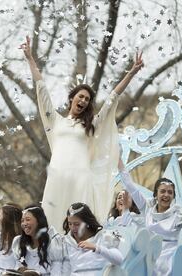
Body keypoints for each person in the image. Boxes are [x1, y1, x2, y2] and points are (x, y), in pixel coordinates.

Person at [20, 36, 144, 229]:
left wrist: (132, 72)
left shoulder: (91, 125)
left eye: (87, 99)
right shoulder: (55, 121)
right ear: (72, 99)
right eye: (81, 96)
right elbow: (42, 90)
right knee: (52, 221)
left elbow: (112, 98)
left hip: (81, 177)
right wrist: (30, 59)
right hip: (57, 176)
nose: (84, 101)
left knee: (78, 220)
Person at [117, 158, 182, 276]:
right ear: (156, 194)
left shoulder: (179, 215)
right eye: (162, 191)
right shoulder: (146, 207)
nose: (166, 195)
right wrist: (119, 162)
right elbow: (130, 185)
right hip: (145, 256)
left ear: (173, 196)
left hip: (167, 263)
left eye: (170, 192)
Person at [62, 203, 123, 275]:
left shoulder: (103, 237)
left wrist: (97, 248)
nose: (72, 228)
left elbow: (119, 260)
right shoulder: (65, 242)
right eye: (70, 224)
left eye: (77, 224)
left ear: (87, 222)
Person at [12, 204, 65, 275]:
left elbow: (57, 272)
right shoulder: (19, 242)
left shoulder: (53, 243)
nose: (24, 223)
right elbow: (18, 265)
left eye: (28, 219)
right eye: (22, 220)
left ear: (39, 220)